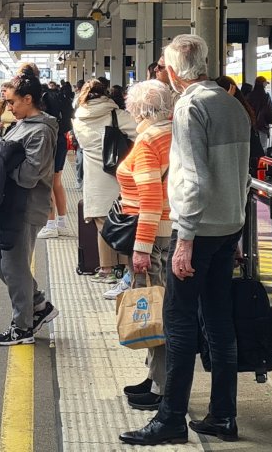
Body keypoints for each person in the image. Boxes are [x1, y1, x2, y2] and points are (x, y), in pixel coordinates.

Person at [121, 34, 251, 446]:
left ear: (174, 72)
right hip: (229, 226)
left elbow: (193, 178)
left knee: (178, 324)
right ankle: (223, 415)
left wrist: (185, 239)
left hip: (198, 231)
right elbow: (240, 175)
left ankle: (171, 418)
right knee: (218, 323)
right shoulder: (233, 104)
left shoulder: (191, 106)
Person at [112, 80, 174, 411]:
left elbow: (151, 198)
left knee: (154, 309)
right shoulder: (169, 131)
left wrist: (141, 247)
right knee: (155, 305)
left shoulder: (150, 139)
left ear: (138, 109)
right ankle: (154, 376)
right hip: (161, 230)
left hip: (152, 233)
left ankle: (163, 386)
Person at [0, 71, 59, 345]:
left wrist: (2, 165)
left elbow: (30, 175)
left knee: (15, 267)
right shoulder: (23, 123)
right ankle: (40, 305)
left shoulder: (41, 131)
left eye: (13, 102)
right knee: (1, 263)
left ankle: (23, 327)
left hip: (26, 207)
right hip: (9, 205)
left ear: (28, 99)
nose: (9, 108)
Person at [73, 79, 137, 284]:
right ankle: (128, 269)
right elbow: (139, 131)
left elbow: (83, 144)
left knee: (103, 224)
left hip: (94, 176)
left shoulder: (79, 118)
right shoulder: (115, 114)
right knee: (124, 222)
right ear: (105, 94)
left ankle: (107, 269)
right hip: (119, 173)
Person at [38, 74, 73, 239]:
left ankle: (50, 225)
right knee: (57, 182)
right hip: (61, 140)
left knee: (48, 183)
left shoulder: (43, 99)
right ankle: (61, 224)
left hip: (50, 141)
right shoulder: (58, 97)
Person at [215, 76, 264, 177]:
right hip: (247, 156)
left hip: (243, 159)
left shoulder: (235, 109)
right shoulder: (242, 105)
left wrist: (226, 101)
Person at [247, 75, 272, 149]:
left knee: (252, 148)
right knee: (263, 148)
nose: (266, 85)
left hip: (251, 126)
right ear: (263, 83)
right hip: (262, 126)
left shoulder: (249, 96)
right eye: (265, 83)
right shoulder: (266, 96)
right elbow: (269, 112)